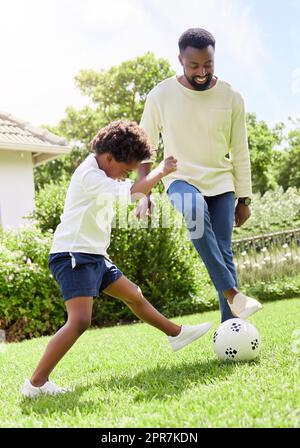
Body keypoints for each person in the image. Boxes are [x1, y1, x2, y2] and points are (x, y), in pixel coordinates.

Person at [21, 120, 211, 398]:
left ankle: (176, 333)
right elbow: (132, 191)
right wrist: (160, 171)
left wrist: (144, 199)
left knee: (134, 294)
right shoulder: (89, 175)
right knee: (80, 320)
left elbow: (133, 194)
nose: (124, 176)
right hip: (73, 254)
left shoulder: (102, 173)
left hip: (94, 255)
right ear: (109, 157)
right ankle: (35, 384)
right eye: (124, 171)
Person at [136, 27, 262, 323]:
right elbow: (145, 147)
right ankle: (233, 295)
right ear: (180, 59)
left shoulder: (231, 96)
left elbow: (240, 150)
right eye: (194, 66)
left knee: (223, 252)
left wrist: (244, 197)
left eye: (208, 65)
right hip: (181, 179)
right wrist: (144, 193)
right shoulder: (161, 95)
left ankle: (232, 329)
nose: (202, 72)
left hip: (221, 182)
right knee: (194, 210)